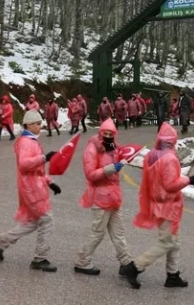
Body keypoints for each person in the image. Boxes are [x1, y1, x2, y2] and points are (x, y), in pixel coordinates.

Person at [125, 123, 194, 289]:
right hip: (167, 205)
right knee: (167, 242)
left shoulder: (153, 155)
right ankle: (135, 266)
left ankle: (173, 275)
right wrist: (190, 180)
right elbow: (170, 184)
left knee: (174, 242)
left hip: (159, 202)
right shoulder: (169, 158)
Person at [0, 110, 61, 272]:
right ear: (29, 124)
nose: (40, 126)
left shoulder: (32, 141)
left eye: (40, 123)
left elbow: (38, 170)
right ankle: (40, 258)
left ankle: (1, 241)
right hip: (31, 189)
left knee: (33, 222)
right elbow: (24, 164)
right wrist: (45, 158)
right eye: (37, 124)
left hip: (36, 186)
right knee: (47, 220)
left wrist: (50, 183)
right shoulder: (25, 142)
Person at [74, 118, 135, 276]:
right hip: (100, 197)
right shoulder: (92, 148)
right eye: (105, 133)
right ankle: (82, 261)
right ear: (100, 133)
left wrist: (130, 157)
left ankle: (126, 262)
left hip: (114, 197)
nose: (108, 136)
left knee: (119, 232)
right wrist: (111, 168)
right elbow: (90, 174)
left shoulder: (113, 146)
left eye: (111, 133)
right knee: (97, 233)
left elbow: (123, 154)